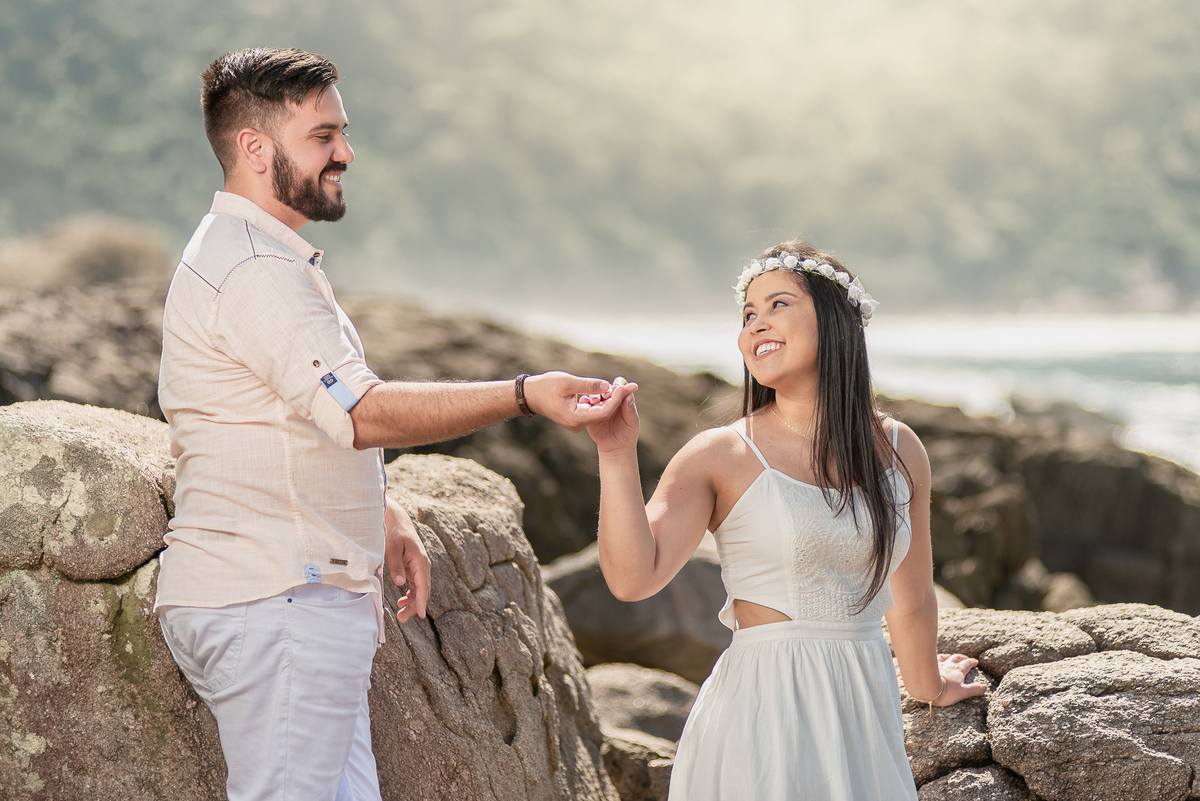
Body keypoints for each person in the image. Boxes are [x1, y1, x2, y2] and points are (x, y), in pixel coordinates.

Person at [153, 47, 628, 801]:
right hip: (276, 603)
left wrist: (378, 503)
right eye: (322, 135)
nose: (346, 151)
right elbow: (360, 411)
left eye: (343, 130)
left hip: (290, 597)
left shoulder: (259, 256)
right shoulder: (254, 271)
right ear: (254, 147)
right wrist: (522, 393)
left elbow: (276, 417)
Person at [586, 241, 985, 800]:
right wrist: (615, 453)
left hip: (863, 714)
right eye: (748, 314)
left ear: (836, 320)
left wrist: (928, 685)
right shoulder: (720, 454)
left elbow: (912, 595)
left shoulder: (898, 448)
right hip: (761, 713)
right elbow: (633, 578)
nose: (756, 325)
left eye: (777, 305)